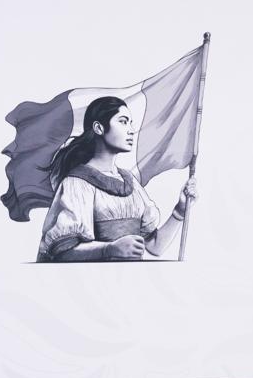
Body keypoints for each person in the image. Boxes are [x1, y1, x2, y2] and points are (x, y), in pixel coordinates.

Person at [36, 96, 196, 262]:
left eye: (130, 123)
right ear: (98, 128)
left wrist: (180, 210)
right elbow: (62, 253)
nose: (131, 130)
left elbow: (155, 247)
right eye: (123, 121)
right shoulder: (76, 183)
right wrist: (109, 249)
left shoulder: (130, 182)